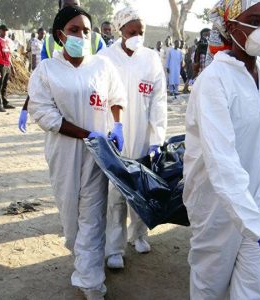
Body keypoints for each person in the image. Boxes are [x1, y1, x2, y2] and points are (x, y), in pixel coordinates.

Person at [183, 1, 260, 299]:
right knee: (210, 287)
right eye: (254, 20)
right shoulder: (213, 81)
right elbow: (222, 164)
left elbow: (259, 146)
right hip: (215, 207)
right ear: (231, 26)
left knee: (254, 289)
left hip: (255, 201)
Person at [28, 6, 125, 300]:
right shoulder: (46, 70)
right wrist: (86, 134)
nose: (81, 36)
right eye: (74, 30)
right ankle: (82, 260)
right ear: (60, 35)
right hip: (64, 154)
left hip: (98, 155)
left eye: (85, 30)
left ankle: (92, 283)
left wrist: (117, 125)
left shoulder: (102, 66)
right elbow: (44, 114)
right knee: (72, 223)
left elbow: (116, 96)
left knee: (93, 218)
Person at [100, 7, 168, 269]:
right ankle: (115, 248)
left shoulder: (151, 59)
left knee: (141, 192)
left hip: (142, 137)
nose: (137, 37)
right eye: (132, 32)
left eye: (141, 32)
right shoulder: (105, 58)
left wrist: (156, 137)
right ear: (120, 31)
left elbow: (158, 101)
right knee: (116, 195)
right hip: (115, 138)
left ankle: (138, 235)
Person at [18, 0, 106, 133]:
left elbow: (108, 79)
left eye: (75, 5)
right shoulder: (50, 42)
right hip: (63, 116)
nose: (72, 8)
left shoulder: (96, 40)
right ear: (60, 10)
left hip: (91, 111)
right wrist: (26, 106)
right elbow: (41, 80)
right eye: (67, 6)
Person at [0, 24, 16, 112]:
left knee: (5, 85)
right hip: (1, 65)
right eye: (4, 30)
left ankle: (5, 103)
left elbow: (9, 55)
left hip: (7, 65)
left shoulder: (7, 41)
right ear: (0, 30)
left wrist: (12, 66)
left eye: (6, 31)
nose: (5, 32)